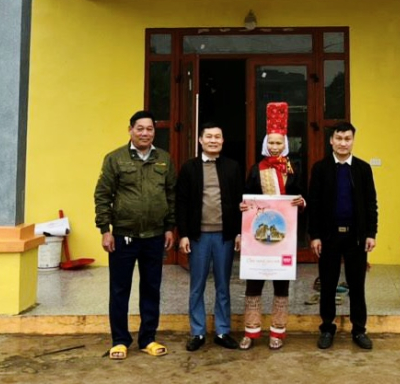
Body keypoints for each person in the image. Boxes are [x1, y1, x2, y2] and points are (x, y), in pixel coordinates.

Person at [93, 109, 176, 360]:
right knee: (120, 289)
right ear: (130, 130)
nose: (144, 133)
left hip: (154, 236)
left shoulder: (164, 159)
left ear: (154, 132)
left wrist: (170, 227)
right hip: (123, 236)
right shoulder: (115, 159)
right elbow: (103, 195)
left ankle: (148, 338)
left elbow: (171, 195)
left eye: (149, 129)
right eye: (140, 128)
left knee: (151, 288)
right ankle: (119, 340)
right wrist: (105, 230)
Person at [238, 102, 307, 350]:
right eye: (271, 143)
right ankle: (251, 331)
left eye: (279, 143)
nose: (275, 146)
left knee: (281, 287)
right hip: (257, 238)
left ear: (285, 144)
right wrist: (244, 207)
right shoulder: (256, 169)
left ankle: (278, 332)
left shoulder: (293, 170)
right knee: (253, 286)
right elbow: (247, 196)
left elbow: (302, 195)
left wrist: (301, 201)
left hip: (283, 238)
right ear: (265, 145)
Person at [309, 121, 378, 350]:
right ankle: (327, 328)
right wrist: (315, 235)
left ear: (353, 141)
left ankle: (359, 330)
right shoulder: (320, 169)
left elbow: (371, 204)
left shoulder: (362, 169)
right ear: (331, 141)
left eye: (347, 139)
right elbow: (314, 205)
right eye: (338, 138)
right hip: (328, 237)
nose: (342, 143)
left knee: (357, 285)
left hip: (356, 238)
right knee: (328, 284)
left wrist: (371, 233)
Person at [176, 123, 243, 352]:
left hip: (224, 236)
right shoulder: (189, 168)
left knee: (223, 285)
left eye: (217, 137)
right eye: (209, 137)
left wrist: (238, 232)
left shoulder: (232, 167)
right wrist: (184, 234)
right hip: (198, 236)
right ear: (200, 140)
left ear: (223, 141)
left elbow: (240, 202)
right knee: (197, 285)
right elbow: (181, 203)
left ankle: (223, 331)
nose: (213, 140)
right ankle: (197, 332)